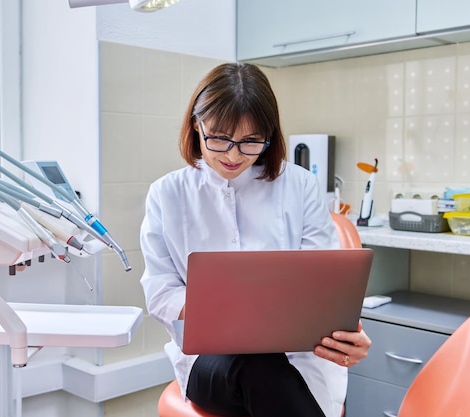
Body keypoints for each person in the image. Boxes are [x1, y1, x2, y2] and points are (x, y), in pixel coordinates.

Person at [140, 62, 371, 417]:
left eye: (250, 142)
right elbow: (159, 291)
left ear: (269, 134)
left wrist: (345, 332)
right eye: (218, 138)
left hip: (299, 359)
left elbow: (323, 285)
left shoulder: (299, 185)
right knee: (258, 366)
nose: (233, 156)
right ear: (195, 126)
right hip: (210, 365)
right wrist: (227, 311)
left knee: (272, 372)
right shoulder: (167, 193)